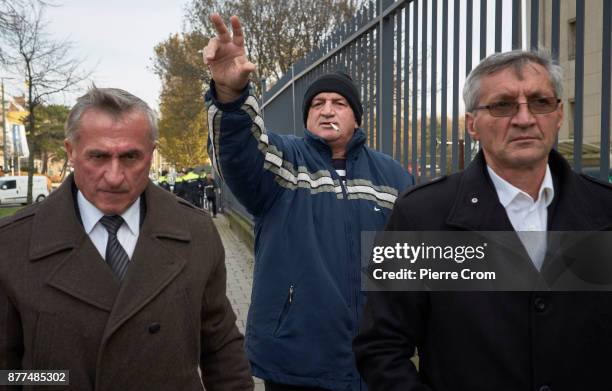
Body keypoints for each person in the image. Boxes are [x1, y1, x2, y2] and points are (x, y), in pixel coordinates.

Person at [353, 50, 612, 390]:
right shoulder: (422, 216)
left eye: (540, 102)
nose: (524, 118)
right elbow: (380, 347)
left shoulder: (604, 209)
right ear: (472, 124)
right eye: (502, 105)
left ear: (559, 114)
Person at [203, 13, 413, 391]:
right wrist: (231, 98)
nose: (327, 109)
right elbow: (238, 152)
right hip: (297, 361)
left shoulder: (393, 175)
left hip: (377, 363)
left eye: (338, 103)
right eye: (317, 103)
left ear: (356, 116)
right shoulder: (286, 160)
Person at [0, 87, 254, 391]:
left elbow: (220, 346)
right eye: (98, 156)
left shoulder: (196, 231)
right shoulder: (12, 244)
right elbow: (7, 371)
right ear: (71, 152)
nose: (114, 176)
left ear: (151, 153)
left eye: (131, 157)